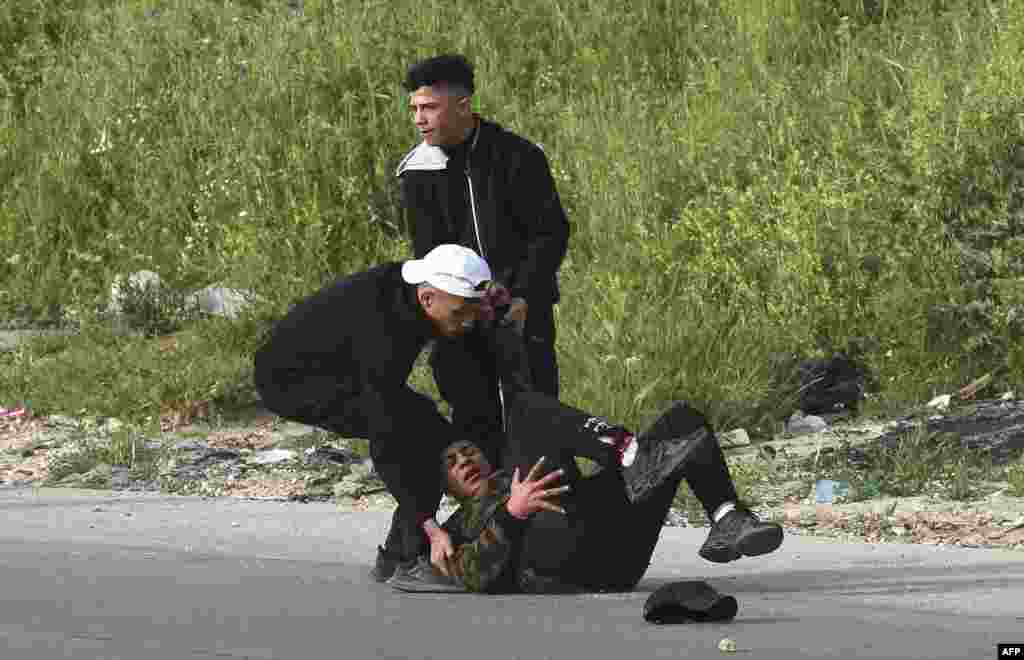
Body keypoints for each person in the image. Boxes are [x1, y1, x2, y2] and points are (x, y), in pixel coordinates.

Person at [387, 356, 784, 594]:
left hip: (617, 559)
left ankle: (726, 516)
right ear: (447, 488)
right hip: (558, 564)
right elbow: (472, 575)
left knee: (683, 420)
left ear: (487, 458)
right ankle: (627, 452)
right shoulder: (457, 525)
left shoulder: (517, 469)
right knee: (524, 411)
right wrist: (513, 512)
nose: (464, 462)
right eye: (452, 465)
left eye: (468, 452)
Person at [254, 243, 508, 582]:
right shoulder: (385, 334)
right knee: (415, 432)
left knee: (427, 426)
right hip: (292, 381)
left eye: (470, 314)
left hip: (342, 365)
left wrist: (496, 306)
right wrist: (429, 524)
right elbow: (385, 436)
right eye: (459, 314)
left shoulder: (421, 283)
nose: (465, 324)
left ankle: (399, 554)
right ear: (428, 299)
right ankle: (410, 554)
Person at [396, 53, 570, 461]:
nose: (420, 119)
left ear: (462, 106)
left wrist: (524, 293)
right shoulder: (417, 171)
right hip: (458, 314)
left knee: (536, 416)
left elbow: (550, 233)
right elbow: (428, 254)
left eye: (430, 108)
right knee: (473, 420)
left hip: (521, 307)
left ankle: (551, 508)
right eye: (415, 109)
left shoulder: (518, 157)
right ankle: (489, 513)